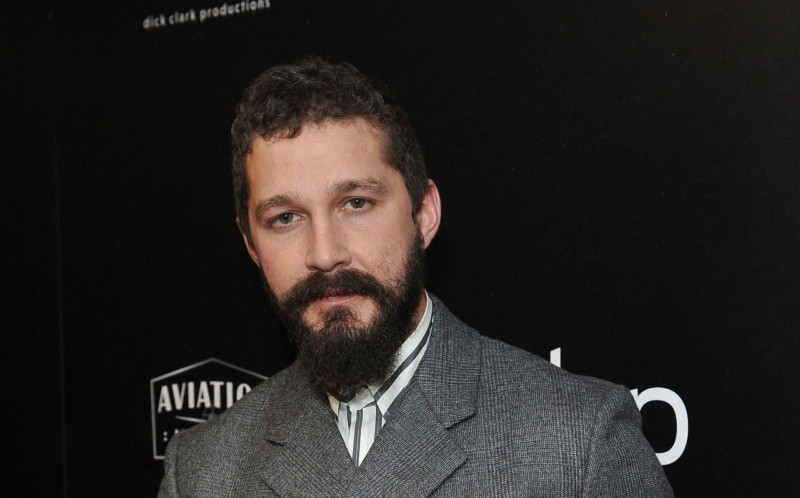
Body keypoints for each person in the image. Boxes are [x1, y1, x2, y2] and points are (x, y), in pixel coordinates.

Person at [158, 57, 674, 497]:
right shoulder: (203, 473)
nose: (325, 254)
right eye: (285, 218)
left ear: (423, 214)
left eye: (355, 203)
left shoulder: (579, 442)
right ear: (251, 245)